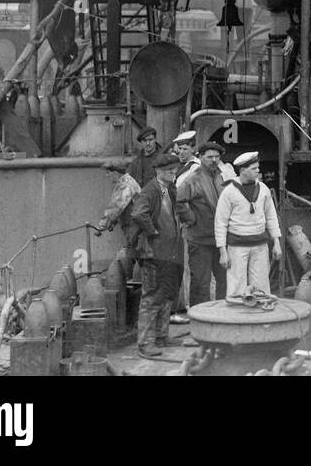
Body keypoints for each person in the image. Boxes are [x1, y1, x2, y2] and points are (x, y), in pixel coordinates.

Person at [129, 153, 183, 358]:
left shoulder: (169, 189)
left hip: (169, 253)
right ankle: (145, 343)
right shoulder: (150, 191)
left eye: (174, 169)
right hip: (153, 254)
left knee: (167, 295)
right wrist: (153, 232)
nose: (173, 173)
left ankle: (161, 336)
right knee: (152, 298)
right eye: (169, 170)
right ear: (159, 171)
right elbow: (138, 214)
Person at [214, 151, 282, 297]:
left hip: (260, 246)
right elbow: (220, 223)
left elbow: (271, 217)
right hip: (237, 246)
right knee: (236, 287)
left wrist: (276, 242)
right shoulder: (229, 192)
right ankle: (237, 317)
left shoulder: (263, 189)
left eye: (258, 167)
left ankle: (260, 317)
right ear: (242, 170)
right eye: (254, 168)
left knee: (261, 287)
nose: (258, 171)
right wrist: (223, 252)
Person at [175, 141, 230, 306]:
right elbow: (179, 201)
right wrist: (191, 219)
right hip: (199, 240)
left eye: (216, 156)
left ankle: (222, 315)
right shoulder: (193, 179)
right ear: (200, 157)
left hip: (220, 240)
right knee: (201, 282)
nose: (213, 160)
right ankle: (199, 317)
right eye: (209, 157)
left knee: (225, 280)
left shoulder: (221, 176)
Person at [97, 161, 142, 273]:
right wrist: (113, 222)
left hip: (136, 228)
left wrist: (104, 223)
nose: (107, 176)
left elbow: (117, 206)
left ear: (115, 172)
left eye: (108, 173)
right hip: (134, 227)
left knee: (142, 259)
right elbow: (123, 207)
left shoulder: (125, 185)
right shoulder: (126, 182)